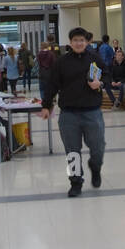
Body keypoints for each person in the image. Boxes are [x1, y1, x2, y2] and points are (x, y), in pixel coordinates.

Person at [40, 28, 107, 197]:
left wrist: (100, 83)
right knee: (72, 151)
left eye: (82, 40)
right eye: (75, 40)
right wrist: (46, 106)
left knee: (98, 147)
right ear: (70, 42)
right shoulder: (61, 62)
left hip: (92, 112)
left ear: (87, 42)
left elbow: (108, 76)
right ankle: (76, 182)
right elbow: (52, 85)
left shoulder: (95, 59)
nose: (79, 43)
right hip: (69, 114)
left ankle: (95, 166)